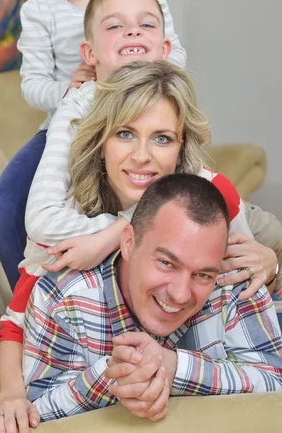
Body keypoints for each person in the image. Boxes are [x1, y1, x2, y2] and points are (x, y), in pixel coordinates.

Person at [0, 58, 279, 432]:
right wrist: (12, 393)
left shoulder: (211, 193)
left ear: (180, 146)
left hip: (248, 239)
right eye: (125, 134)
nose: (142, 156)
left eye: (162, 138)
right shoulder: (69, 231)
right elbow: (18, 322)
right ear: (101, 142)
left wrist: (272, 265)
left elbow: (251, 298)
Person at [0, 0, 186, 289]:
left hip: (140, 114)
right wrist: (67, 88)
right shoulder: (40, 11)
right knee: (3, 204)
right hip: (74, 123)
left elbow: (176, 54)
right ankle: (33, 295)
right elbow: (32, 86)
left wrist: (147, 84)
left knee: (186, 189)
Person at [22, 173, 282, 422]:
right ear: (128, 243)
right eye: (167, 263)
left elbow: (276, 382)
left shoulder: (237, 282)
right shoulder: (63, 297)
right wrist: (116, 373)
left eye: (202, 274)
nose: (180, 294)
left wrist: (175, 368)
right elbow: (35, 411)